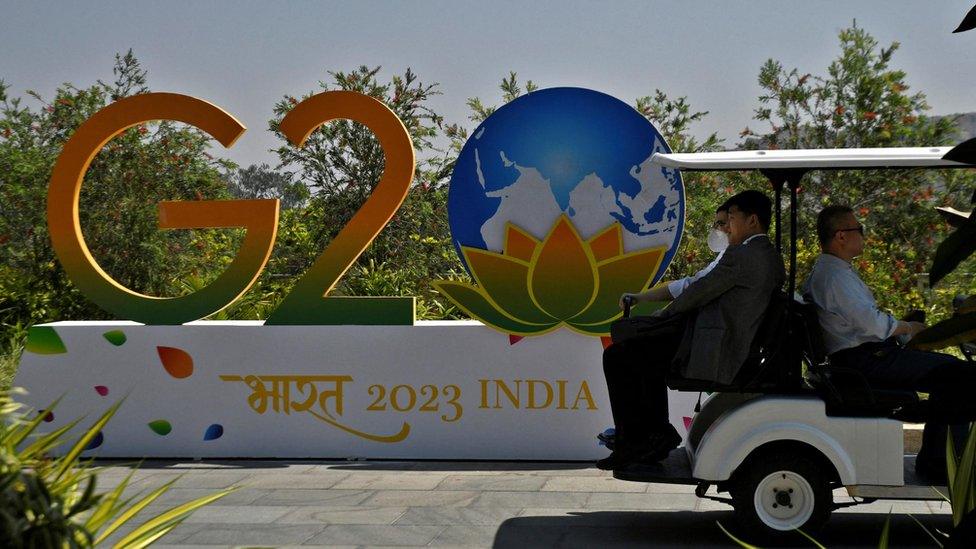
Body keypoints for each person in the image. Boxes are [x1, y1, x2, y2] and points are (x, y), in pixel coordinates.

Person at [598, 190, 785, 470]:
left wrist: (659, 318)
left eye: (731, 219)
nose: (726, 227)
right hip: (720, 339)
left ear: (752, 221)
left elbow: (698, 291)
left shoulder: (743, 255)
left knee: (618, 357)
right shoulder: (766, 254)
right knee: (638, 353)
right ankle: (651, 436)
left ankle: (638, 440)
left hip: (715, 348)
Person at [803, 205, 976, 482]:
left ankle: (939, 462)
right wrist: (908, 328)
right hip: (866, 360)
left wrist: (904, 331)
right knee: (961, 375)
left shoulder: (833, 272)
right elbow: (871, 324)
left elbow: (865, 319)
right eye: (858, 229)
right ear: (841, 237)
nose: (863, 234)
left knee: (950, 375)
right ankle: (946, 466)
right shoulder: (835, 277)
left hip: (867, 355)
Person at [623, 200, 733, 305]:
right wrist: (640, 297)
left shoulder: (737, 257)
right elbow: (695, 283)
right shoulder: (727, 253)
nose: (718, 229)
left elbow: (697, 285)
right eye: (716, 224)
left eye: (721, 223)